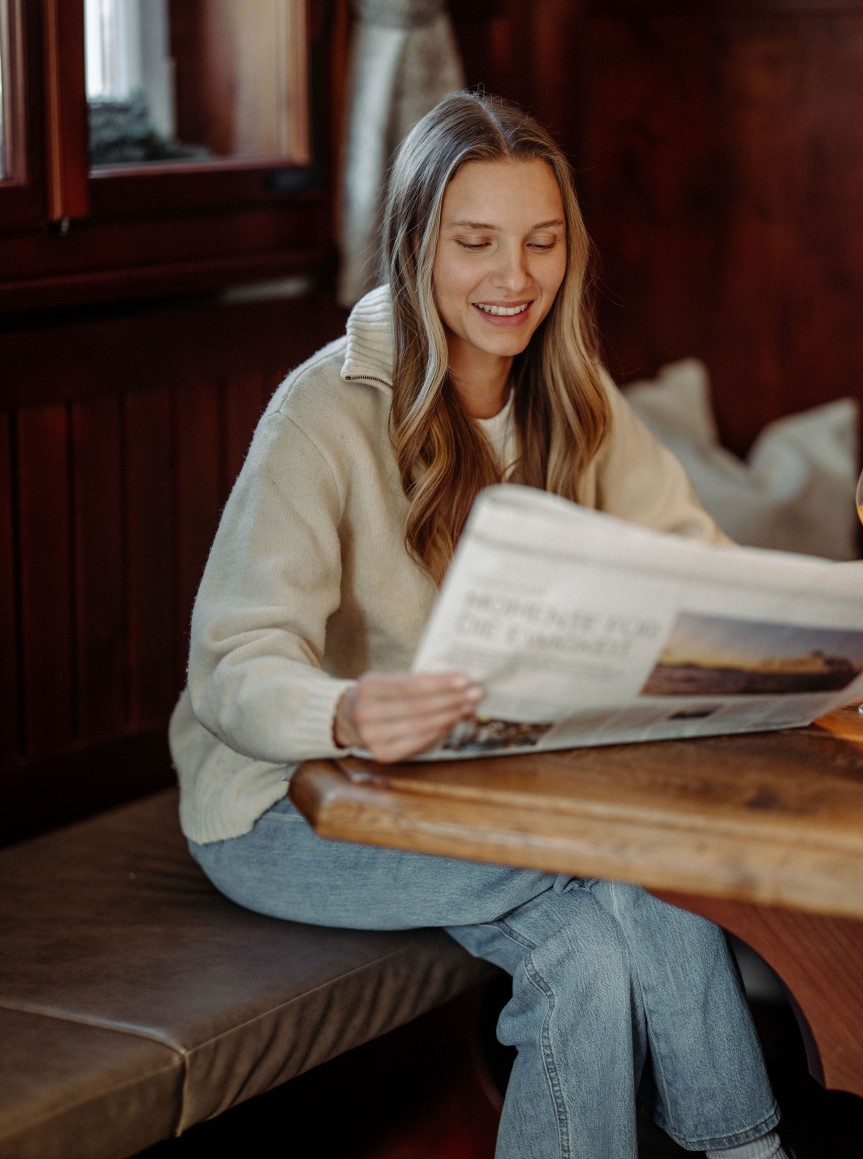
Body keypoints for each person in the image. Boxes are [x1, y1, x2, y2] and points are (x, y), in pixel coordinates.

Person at [169, 90, 792, 1159]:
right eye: (476, 244)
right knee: (625, 860)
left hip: (466, 789)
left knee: (586, 956)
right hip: (287, 802)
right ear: (415, 246)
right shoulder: (323, 409)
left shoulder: (572, 392)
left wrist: (798, 647)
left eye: (541, 243)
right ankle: (744, 1152)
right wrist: (350, 707)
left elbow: (696, 568)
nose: (513, 279)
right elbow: (233, 662)